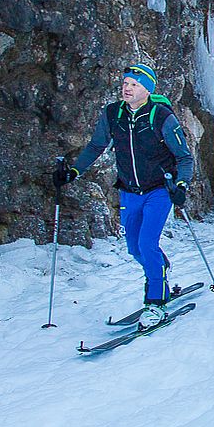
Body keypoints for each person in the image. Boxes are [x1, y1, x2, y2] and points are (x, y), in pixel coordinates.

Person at [54, 63, 193, 328]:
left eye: (134, 84)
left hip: (159, 190)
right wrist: (73, 172)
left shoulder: (161, 116)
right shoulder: (112, 114)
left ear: (147, 90)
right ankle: (160, 269)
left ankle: (155, 302)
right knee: (133, 248)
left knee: (147, 243)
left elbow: (184, 157)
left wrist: (182, 185)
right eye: (125, 83)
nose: (127, 88)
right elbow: (96, 146)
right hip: (129, 191)